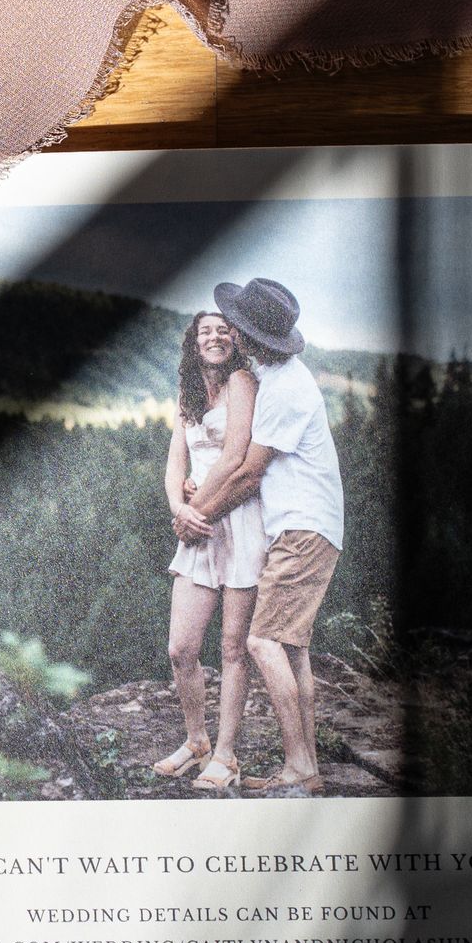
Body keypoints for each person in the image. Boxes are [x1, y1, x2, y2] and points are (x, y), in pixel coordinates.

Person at [175, 277, 345, 798]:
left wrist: (191, 516)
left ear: (250, 334)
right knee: (292, 650)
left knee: (260, 641)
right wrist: (194, 498)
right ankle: (306, 763)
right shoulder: (275, 377)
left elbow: (246, 473)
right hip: (300, 526)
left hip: (301, 528)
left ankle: (299, 767)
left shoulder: (283, 388)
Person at [152, 308, 267, 793]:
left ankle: (226, 756)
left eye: (223, 331)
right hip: (197, 524)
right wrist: (180, 508)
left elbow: (237, 457)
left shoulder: (243, 381)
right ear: (193, 341)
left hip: (238, 519)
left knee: (233, 649)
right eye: (206, 331)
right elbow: (175, 460)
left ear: (235, 339)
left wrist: (195, 507)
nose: (215, 337)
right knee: (181, 647)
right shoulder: (187, 392)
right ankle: (196, 740)